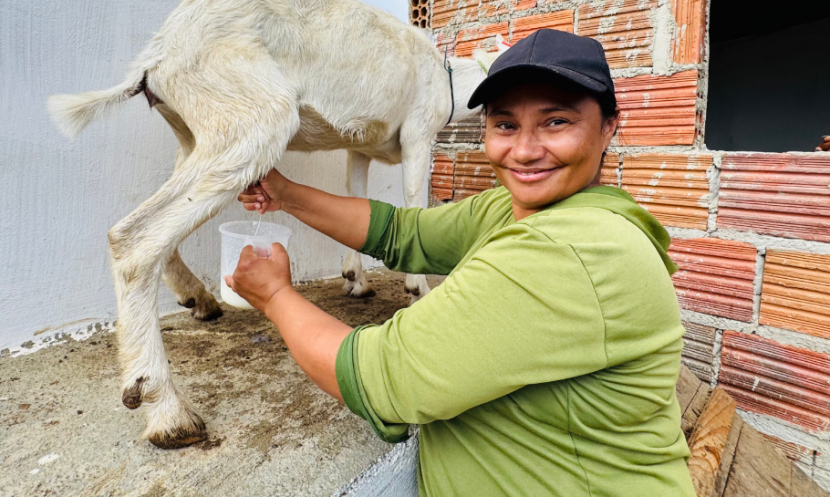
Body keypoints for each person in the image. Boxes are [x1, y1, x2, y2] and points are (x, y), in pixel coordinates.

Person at [229, 29, 696, 497]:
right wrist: (285, 193)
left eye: (556, 122)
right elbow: (400, 232)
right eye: (506, 124)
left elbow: (380, 376)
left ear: (609, 126)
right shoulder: (517, 207)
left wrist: (274, 295)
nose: (525, 150)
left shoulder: (576, 251)